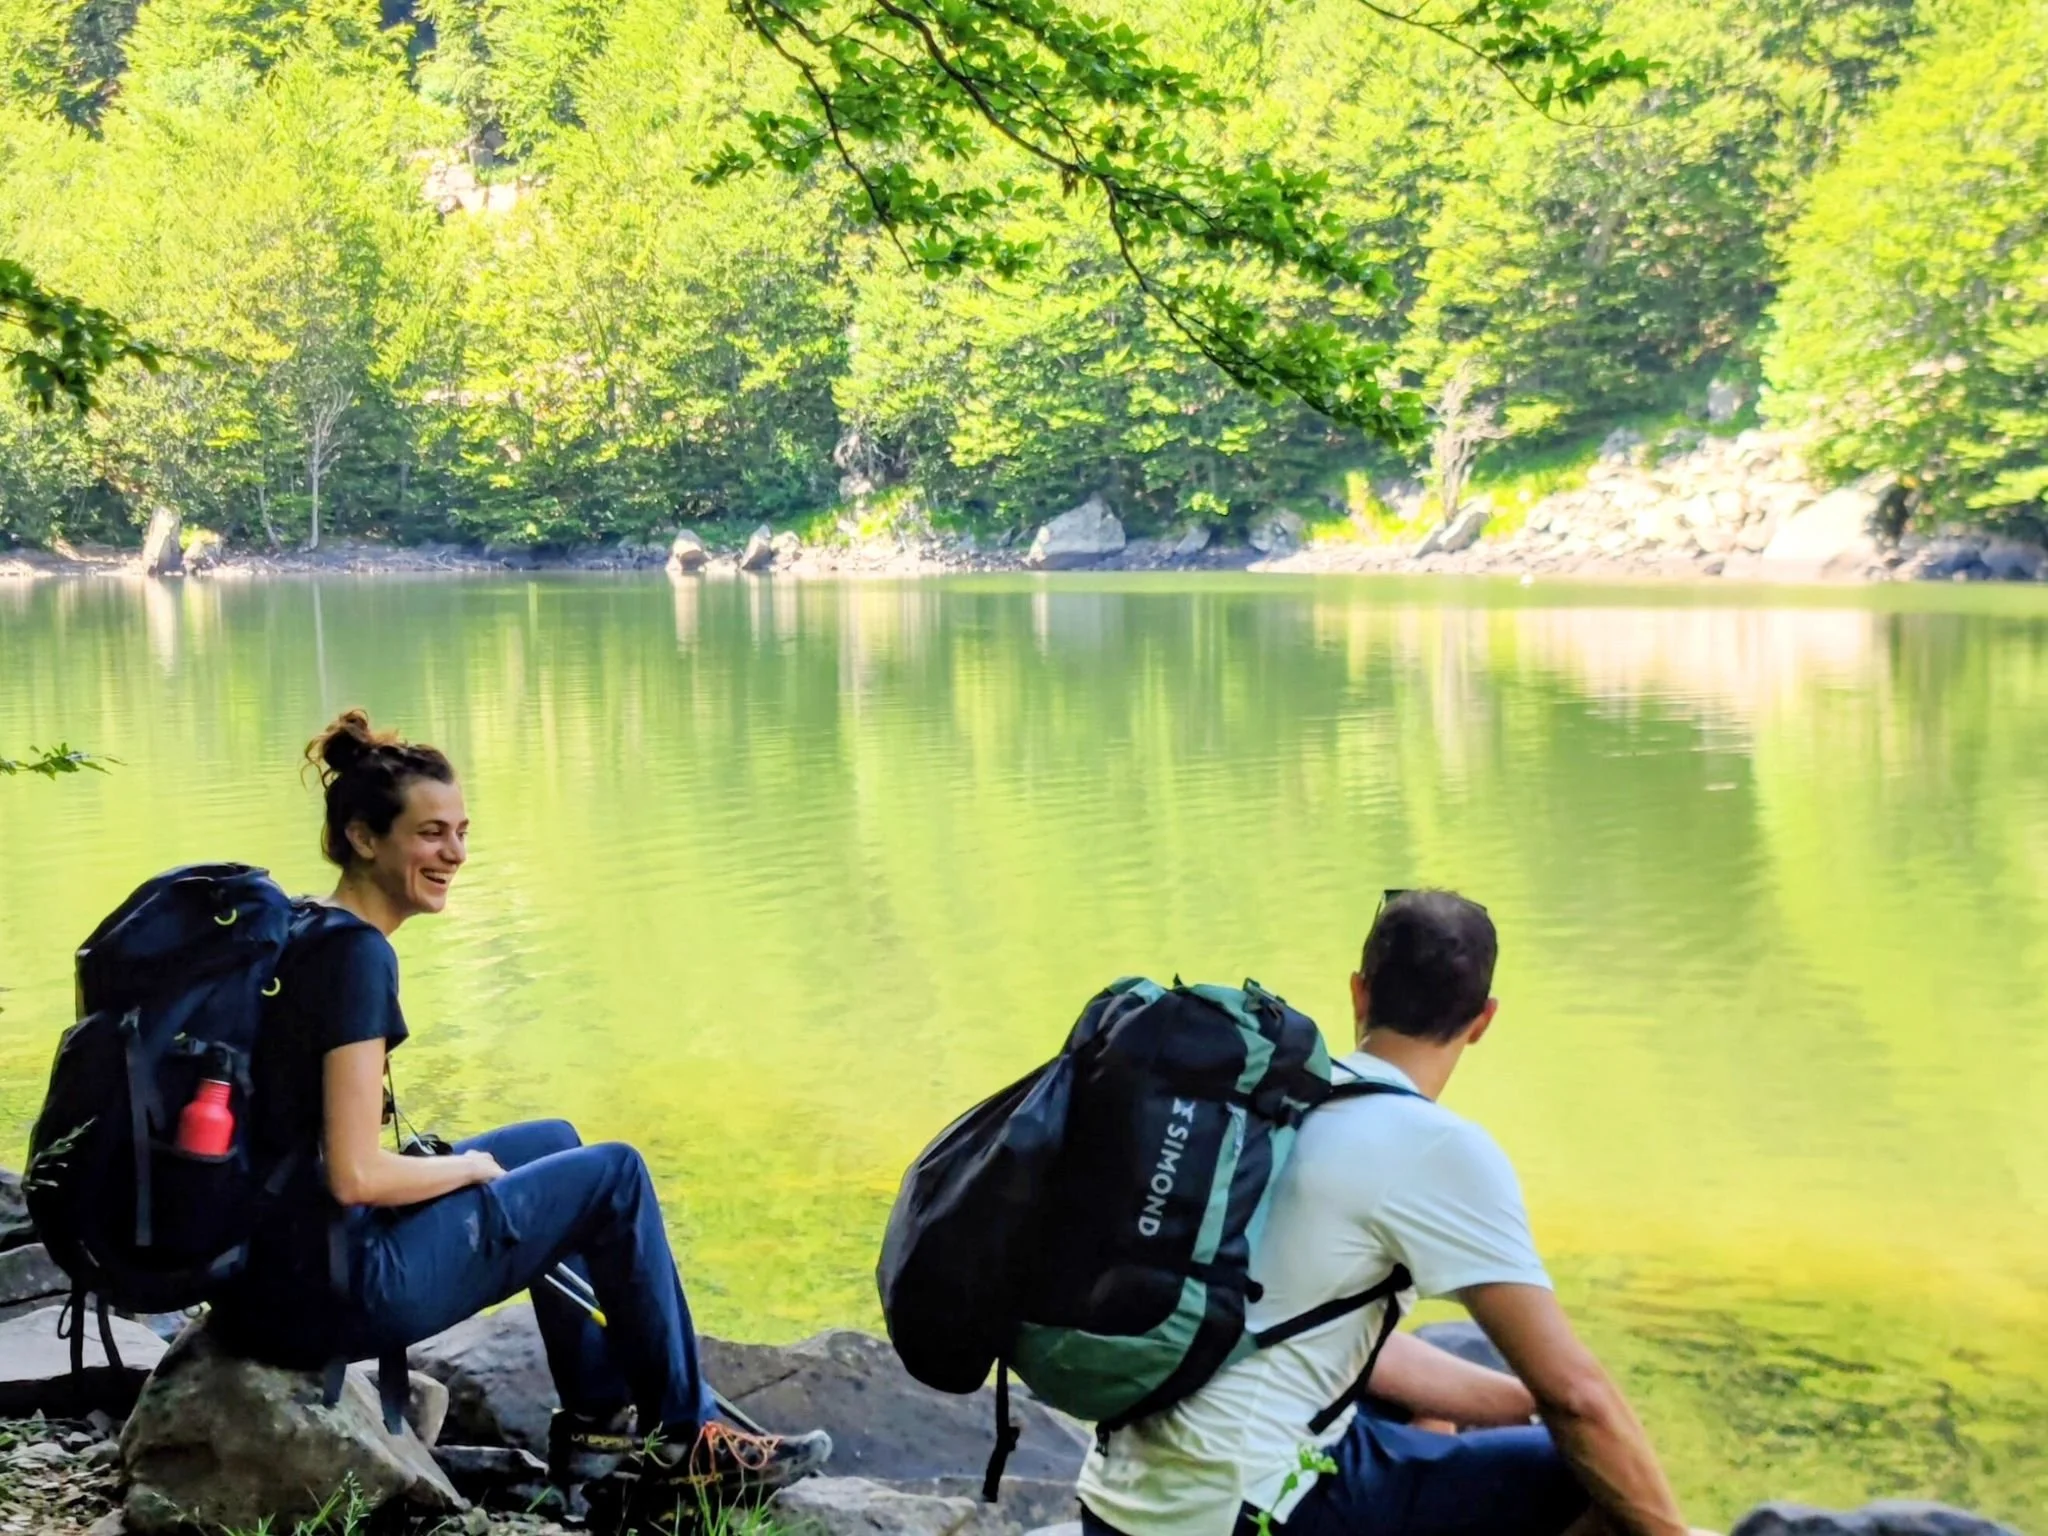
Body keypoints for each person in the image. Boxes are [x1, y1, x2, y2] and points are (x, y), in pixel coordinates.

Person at [208, 708, 830, 1500]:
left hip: (281, 1272)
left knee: (554, 1142)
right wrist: (466, 1167)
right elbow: (355, 1175)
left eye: (462, 831)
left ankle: (600, 1430)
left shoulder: (307, 927)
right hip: (333, 1292)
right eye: (432, 834)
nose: (456, 854)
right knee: (615, 1176)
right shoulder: (355, 960)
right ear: (365, 838)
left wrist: (465, 1172)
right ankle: (687, 1442)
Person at [1077, 890, 1705, 1536]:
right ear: (1483, 1020)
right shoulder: (1435, 1145)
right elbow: (1577, 1398)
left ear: (1359, 992)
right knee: (1586, 1470)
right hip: (1237, 1515)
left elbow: (1312, 1340)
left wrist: (1515, 1403)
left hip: (1114, 1505)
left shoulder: (1275, 1104)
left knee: (1412, 1423)